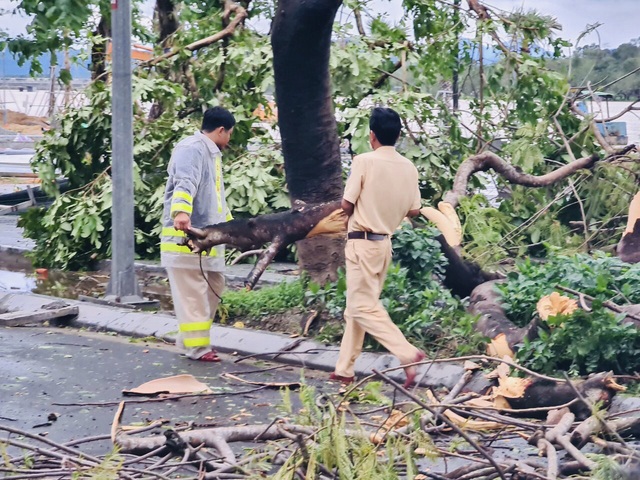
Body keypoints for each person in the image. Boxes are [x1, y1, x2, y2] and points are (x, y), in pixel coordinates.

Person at [331, 107, 426, 388]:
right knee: (357, 307)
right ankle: (344, 369)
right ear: (398, 135)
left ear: (372, 135)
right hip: (384, 244)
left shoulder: (364, 161)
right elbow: (414, 210)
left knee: (361, 306)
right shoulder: (409, 167)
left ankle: (407, 353)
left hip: (361, 242)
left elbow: (347, 204)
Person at [160, 106, 235, 362]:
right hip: (186, 238)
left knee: (215, 285)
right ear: (222, 130)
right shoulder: (192, 148)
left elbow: (214, 197)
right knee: (193, 292)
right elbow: (185, 182)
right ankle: (198, 348)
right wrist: (181, 212)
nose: (230, 141)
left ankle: (187, 341)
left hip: (208, 237)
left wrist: (230, 229)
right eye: (230, 134)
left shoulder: (211, 153)